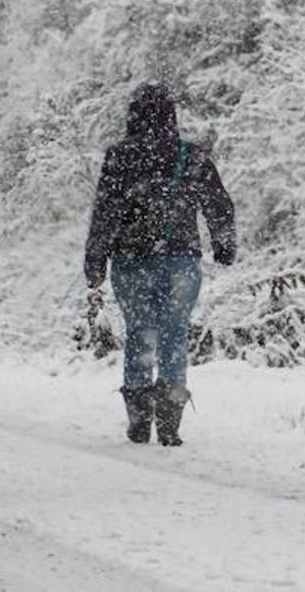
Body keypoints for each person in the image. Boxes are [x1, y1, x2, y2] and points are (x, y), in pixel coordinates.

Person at [84, 83, 235, 446]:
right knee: (173, 334)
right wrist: (223, 244)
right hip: (180, 259)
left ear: (133, 117)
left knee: (140, 334)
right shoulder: (192, 156)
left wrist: (95, 259)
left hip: (132, 260)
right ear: (172, 118)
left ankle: (138, 418)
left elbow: (106, 212)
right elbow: (218, 204)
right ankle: (169, 423)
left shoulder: (121, 157)